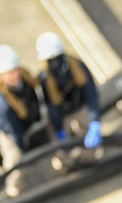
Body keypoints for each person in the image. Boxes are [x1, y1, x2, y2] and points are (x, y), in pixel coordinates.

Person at [35, 32, 103, 171]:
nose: (54, 62)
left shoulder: (78, 66)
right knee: (59, 142)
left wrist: (95, 120)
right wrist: (59, 128)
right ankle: (66, 165)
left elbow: (91, 93)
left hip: (79, 106)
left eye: (56, 58)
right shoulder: (45, 77)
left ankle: (87, 159)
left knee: (86, 130)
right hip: (62, 113)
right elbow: (52, 105)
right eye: (50, 59)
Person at [0, 44, 44, 197]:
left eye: (16, 70)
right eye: (10, 73)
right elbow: (14, 130)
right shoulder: (0, 102)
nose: (15, 75)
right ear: (1, 76)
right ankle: (15, 190)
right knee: (14, 159)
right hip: (9, 131)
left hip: (26, 122)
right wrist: (22, 146)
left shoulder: (26, 83)